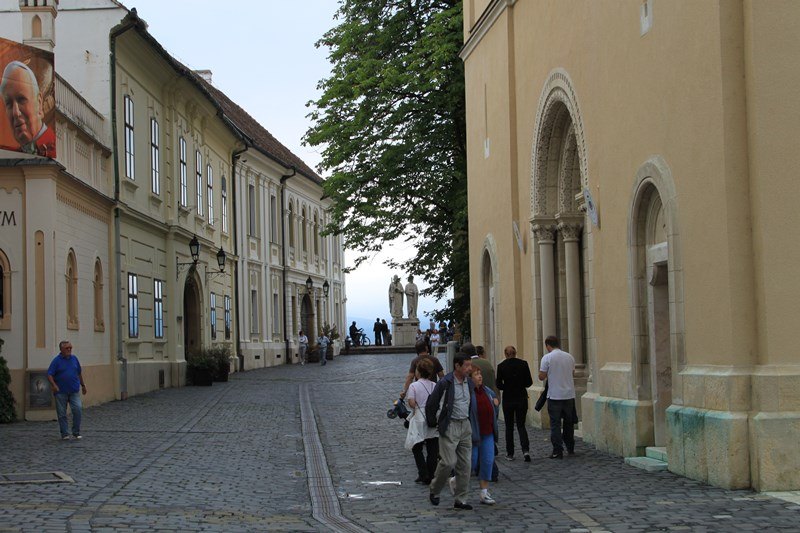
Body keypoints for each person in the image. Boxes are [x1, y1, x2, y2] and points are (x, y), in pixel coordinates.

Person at [425, 353, 474, 510]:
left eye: (470, 365)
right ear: (457, 366)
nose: (469, 368)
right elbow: (431, 403)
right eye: (466, 365)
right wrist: (433, 421)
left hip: (465, 424)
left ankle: (461, 499)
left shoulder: (470, 383)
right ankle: (435, 489)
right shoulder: (445, 382)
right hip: (450, 425)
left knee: (465, 465)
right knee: (448, 462)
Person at [1, 61, 56, 157]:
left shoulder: (53, 147)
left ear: (39, 103)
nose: (15, 112)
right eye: (9, 103)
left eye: (21, 99)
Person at [538, 336, 577, 459]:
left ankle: (557, 450)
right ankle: (570, 447)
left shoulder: (547, 358)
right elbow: (572, 373)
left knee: (555, 424)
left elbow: (541, 376)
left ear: (548, 345)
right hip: (569, 395)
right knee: (568, 423)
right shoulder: (569, 357)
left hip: (555, 395)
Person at [496, 345, 534, 462]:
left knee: (509, 427)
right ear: (515, 353)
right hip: (521, 397)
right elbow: (529, 382)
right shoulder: (523, 364)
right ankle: (525, 450)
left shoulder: (501, 366)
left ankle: (510, 453)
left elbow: (498, 384)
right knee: (521, 425)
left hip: (508, 398)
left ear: (505, 354)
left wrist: (507, 386)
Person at [405, 358, 439, 484]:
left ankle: (423, 472)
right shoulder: (435, 385)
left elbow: (412, 403)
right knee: (432, 448)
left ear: (418, 371)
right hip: (432, 417)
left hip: (420, 417)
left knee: (417, 447)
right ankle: (431, 473)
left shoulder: (414, 386)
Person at [470, 366, 500, 505]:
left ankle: (484, 492)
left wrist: (495, 404)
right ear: (470, 379)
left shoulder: (487, 391)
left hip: (488, 432)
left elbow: (494, 408)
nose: (480, 377)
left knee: (488, 461)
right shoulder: (469, 393)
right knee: (472, 462)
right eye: (476, 375)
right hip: (474, 433)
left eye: (479, 374)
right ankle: (457, 480)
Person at [46, 340, 87, 440]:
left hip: (74, 391)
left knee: (77, 409)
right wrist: (54, 385)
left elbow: (79, 373)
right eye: (67, 348)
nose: (69, 349)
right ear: (61, 349)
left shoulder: (74, 359)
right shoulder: (56, 361)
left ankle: (76, 432)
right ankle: (64, 433)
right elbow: (49, 374)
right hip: (61, 392)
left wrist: (83, 385)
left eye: (70, 348)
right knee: (62, 414)